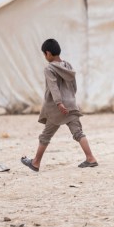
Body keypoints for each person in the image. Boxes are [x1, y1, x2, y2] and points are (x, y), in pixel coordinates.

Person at [21, 39, 98, 172]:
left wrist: (59, 102)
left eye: (44, 54)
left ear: (48, 53)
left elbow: (53, 87)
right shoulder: (68, 66)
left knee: (46, 136)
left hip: (56, 108)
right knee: (78, 133)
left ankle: (35, 162)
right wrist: (70, 98)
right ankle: (90, 158)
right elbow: (74, 86)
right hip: (71, 104)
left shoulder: (49, 68)